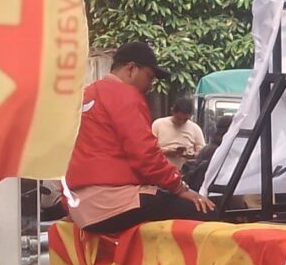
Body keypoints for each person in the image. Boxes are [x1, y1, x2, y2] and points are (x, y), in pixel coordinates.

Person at [65, 41, 218, 236]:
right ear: (131, 69)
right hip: (115, 203)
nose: (150, 85)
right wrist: (180, 188)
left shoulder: (85, 95)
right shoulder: (124, 95)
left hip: (80, 208)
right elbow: (145, 154)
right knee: (206, 210)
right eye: (149, 77)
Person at [151, 96, 206, 174]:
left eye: (185, 120)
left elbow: (202, 154)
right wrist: (166, 151)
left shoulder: (195, 129)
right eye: (178, 119)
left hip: (185, 173)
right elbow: (150, 150)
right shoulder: (158, 124)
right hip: (160, 172)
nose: (181, 122)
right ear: (172, 112)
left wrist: (192, 155)